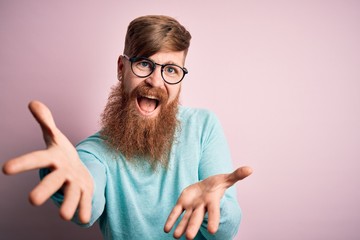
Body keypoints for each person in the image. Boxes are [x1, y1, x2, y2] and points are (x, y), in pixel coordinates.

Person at [2, 15, 252, 240]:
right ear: (122, 68)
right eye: (144, 63)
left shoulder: (203, 126)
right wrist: (64, 179)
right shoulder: (94, 152)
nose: (155, 81)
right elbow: (86, 208)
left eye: (171, 70)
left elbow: (226, 232)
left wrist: (212, 208)